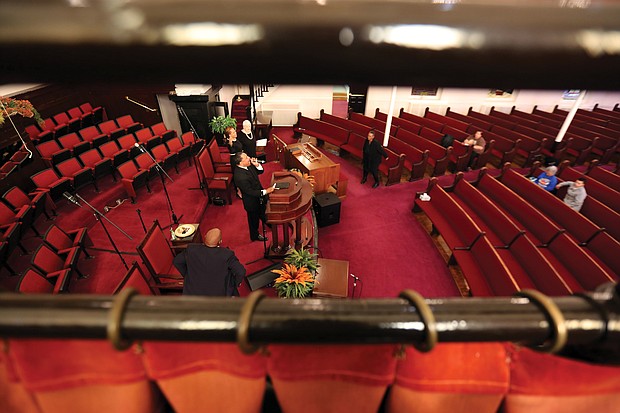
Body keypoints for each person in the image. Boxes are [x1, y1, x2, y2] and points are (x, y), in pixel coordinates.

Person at [173, 228, 246, 296]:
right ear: (220, 241)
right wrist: (236, 283)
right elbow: (241, 271)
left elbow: (177, 261)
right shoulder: (227, 254)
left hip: (192, 297)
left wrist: (187, 274)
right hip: (218, 299)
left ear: (205, 237)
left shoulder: (191, 249)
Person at [233, 152, 275, 242]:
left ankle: (269, 223)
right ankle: (254, 235)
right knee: (253, 220)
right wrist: (266, 191)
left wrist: (257, 165)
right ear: (240, 162)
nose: (249, 158)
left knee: (263, 211)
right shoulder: (240, 176)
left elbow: (260, 171)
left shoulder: (248, 165)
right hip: (251, 201)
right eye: (246, 158)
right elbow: (250, 192)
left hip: (259, 196)